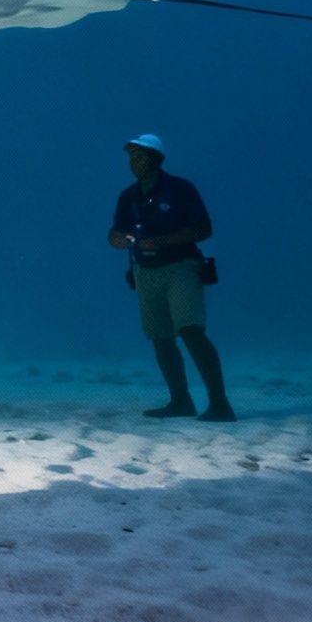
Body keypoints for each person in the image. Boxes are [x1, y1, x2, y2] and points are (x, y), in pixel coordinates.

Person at [107, 135, 237, 422]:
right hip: (144, 270)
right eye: (131, 157)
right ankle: (180, 401)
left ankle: (219, 403)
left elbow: (203, 228)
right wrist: (120, 239)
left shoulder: (179, 189)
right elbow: (115, 233)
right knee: (160, 337)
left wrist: (161, 241)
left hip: (181, 266)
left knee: (191, 330)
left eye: (140, 156)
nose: (134, 162)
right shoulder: (128, 196)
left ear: (156, 158)